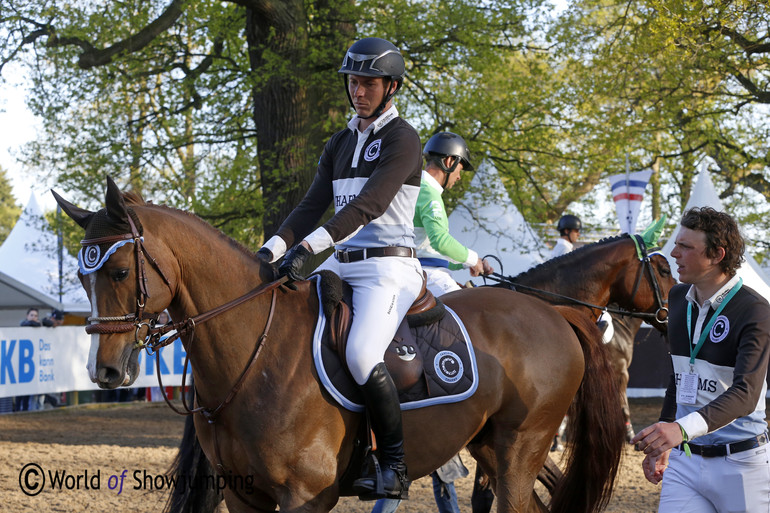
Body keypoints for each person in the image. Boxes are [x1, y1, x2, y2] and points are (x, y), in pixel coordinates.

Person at [258, 37, 423, 500]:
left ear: (391, 87)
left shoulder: (403, 139)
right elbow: (310, 206)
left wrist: (308, 249)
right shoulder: (340, 141)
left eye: (368, 83)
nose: (358, 91)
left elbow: (368, 207)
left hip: (387, 271)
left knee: (360, 354)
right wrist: (270, 252)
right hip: (338, 265)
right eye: (353, 82)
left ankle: (393, 464)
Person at [372, 132, 488, 513]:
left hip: (393, 262)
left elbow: (430, 244)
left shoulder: (408, 183)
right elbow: (438, 238)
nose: (459, 180)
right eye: (460, 171)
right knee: (462, 313)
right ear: (451, 163)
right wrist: (472, 257)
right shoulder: (428, 190)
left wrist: (463, 260)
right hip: (407, 269)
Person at [632, 207, 770, 513]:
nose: (673, 252)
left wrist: (678, 430)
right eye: (677, 244)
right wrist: (665, 436)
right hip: (686, 462)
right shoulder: (678, 298)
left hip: (742, 465)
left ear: (717, 254)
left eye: (685, 246)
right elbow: (679, 376)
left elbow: (746, 394)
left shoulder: (756, 311)